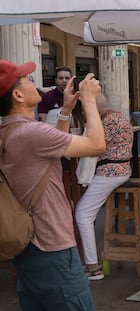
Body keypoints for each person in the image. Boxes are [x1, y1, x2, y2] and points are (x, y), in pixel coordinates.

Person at [0, 60, 105, 310]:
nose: (35, 84)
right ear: (17, 95)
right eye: (28, 80)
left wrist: (66, 110)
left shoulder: (10, 131)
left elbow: (52, 154)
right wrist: (89, 101)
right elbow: (97, 145)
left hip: (29, 247)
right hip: (53, 246)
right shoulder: (32, 133)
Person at [75, 93, 133, 280]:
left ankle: (93, 267)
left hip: (111, 172)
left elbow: (92, 146)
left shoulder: (106, 122)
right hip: (121, 169)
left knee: (82, 214)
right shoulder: (117, 116)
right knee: (85, 212)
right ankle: (91, 263)